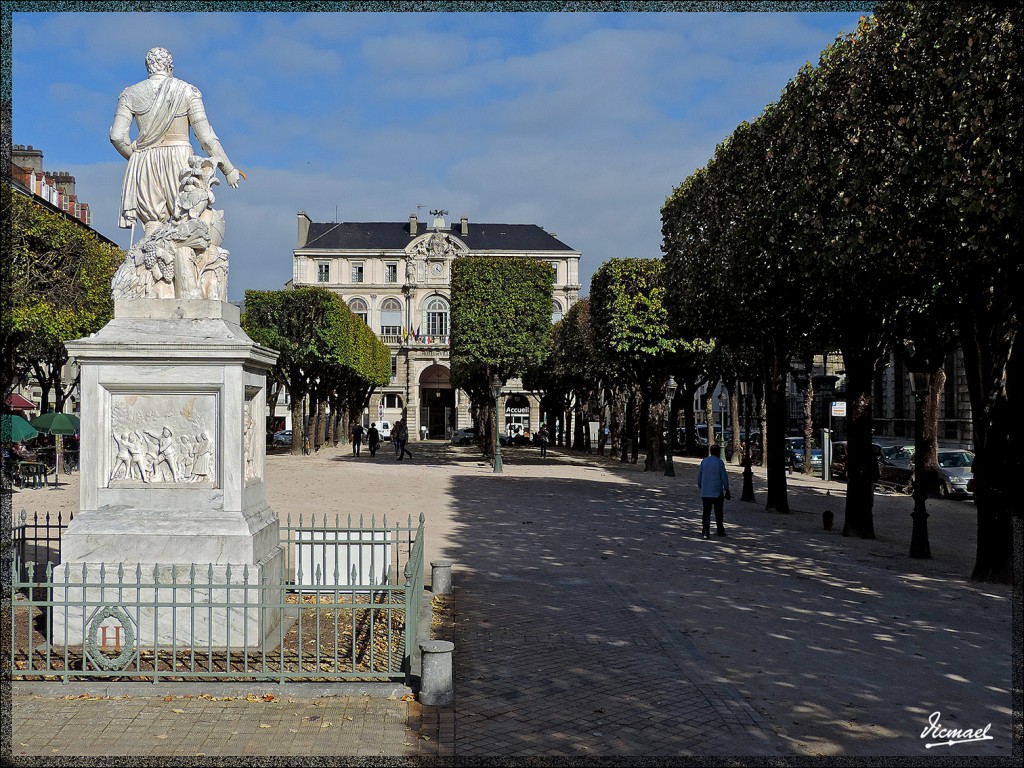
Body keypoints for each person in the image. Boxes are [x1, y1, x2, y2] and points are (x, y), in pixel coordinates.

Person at [110, 47, 243, 236]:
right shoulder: (188, 91)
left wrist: (135, 157)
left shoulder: (130, 94)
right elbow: (205, 138)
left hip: (145, 161)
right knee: (184, 222)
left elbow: (117, 136)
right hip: (180, 160)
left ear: (148, 67)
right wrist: (228, 169)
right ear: (170, 66)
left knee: (152, 225)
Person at [697, 444, 731, 538]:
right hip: (717, 491)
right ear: (718, 452)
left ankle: (705, 531)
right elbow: (724, 477)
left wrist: (701, 485)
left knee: (706, 512)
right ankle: (720, 530)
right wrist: (727, 489)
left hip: (706, 491)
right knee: (719, 512)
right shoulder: (719, 462)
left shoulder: (704, 462)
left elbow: (699, 475)